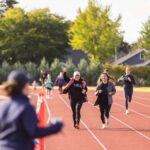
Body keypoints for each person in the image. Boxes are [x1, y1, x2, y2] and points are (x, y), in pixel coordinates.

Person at [0, 70, 63, 150]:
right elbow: (33, 132)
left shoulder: (2, 106)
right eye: (27, 84)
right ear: (23, 87)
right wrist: (55, 127)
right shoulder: (25, 107)